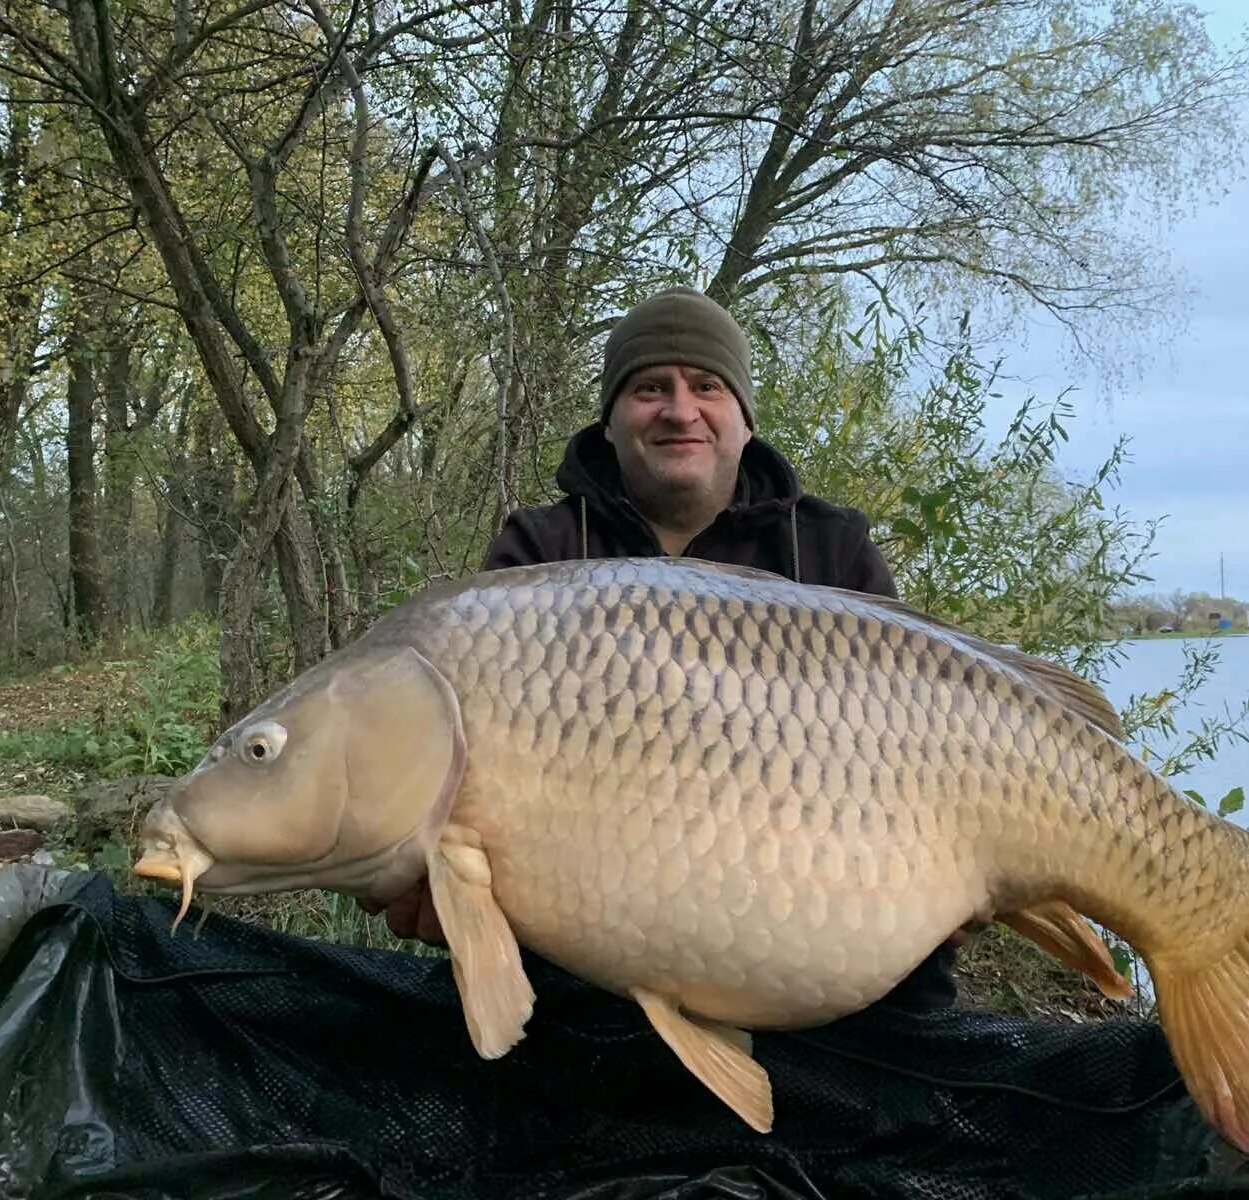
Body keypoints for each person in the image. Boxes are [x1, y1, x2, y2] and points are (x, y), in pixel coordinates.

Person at [365, 285, 960, 1009]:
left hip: (812, 934)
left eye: (706, 386)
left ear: (744, 417)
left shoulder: (829, 548)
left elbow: (915, 744)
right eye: (650, 388)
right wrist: (456, 893)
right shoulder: (541, 552)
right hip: (597, 963)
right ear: (610, 422)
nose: (681, 410)